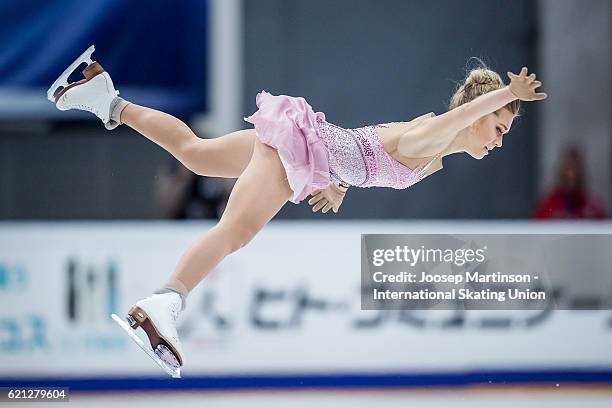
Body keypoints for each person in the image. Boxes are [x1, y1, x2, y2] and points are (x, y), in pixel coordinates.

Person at [48, 48, 546, 375]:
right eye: (499, 125)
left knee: (197, 154)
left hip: (308, 152)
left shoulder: (435, 155)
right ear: (479, 114)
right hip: (298, 153)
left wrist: (340, 182)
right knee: (236, 232)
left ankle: (106, 100)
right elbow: (450, 120)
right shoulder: (440, 131)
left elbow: (366, 147)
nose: (500, 138)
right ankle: (163, 302)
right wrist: (507, 94)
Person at [533, 145, 606, 219]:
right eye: (567, 169)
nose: (571, 175)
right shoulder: (548, 205)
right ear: (560, 172)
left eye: (575, 169)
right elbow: (537, 226)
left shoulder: (593, 206)